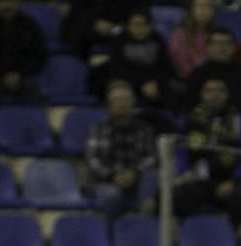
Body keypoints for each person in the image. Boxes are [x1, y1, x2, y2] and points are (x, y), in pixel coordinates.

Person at [175, 78, 241, 227]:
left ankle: (230, 235)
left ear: (227, 95)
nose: (215, 95)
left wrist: (232, 181)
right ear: (202, 95)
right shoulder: (189, 121)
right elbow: (181, 151)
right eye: (209, 91)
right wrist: (185, 172)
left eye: (220, 90)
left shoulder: (240, 120)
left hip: (230, 178)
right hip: (199, 178)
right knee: (181, 194)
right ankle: (195, 231)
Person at [85, 81, 156, 224]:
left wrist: (134, 173)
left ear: (133, 103)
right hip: (105, 182)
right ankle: (109, 238)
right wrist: (112, 176)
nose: (122, 104)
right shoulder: (98, 129)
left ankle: (143, 228)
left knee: (153, 180)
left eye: (126, 99)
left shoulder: (144, 129)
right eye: (117, 100)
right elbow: (93, 160)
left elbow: (151, 157)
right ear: (109, 104)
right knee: (112, 195)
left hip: (136, 179)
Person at [0, 0, 48, 113]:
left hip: (22, 75)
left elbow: (39, 57)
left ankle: (36, 124)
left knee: (32, 84)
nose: (7, 6)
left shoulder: (29, 25)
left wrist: (19, 73)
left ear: (18, 3)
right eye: (2, 2)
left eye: (11, 2)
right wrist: (3, 74)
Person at [183, 27, 241, 123]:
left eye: (226, 43)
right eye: (217, 43)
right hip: (203, 127)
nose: (222, 47)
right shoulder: (197, 75)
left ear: (234, 47)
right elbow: (188, 108)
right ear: (208, 47)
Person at [167, 0, 216, 81]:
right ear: (191, 10)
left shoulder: (216, 34)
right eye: (199, 6)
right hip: (189, 81)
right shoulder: (180, 34)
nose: (203, 9)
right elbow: (181, 65)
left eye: (208, 6)